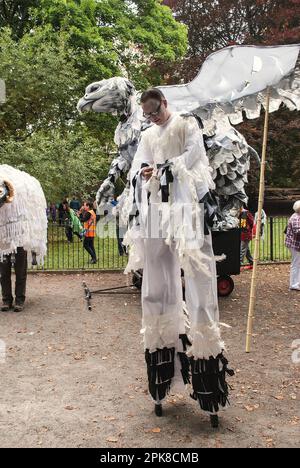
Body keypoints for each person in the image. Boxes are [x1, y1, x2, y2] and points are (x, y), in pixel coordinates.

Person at [126, 88, 233, 425]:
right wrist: (145, 173)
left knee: (200, 282)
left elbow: (193, 159)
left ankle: (207, 383)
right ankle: (161, 375)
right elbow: (137, 168)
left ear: (165, 104)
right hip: (157, 212)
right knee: (158, 287)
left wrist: (164, 169)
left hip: (186, 210)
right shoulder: (146, 135)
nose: (153, 117)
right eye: (147, 113)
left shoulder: (187, 125)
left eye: (156, 110)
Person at [285, 200, 300, 291]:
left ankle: (296, 282)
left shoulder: (298, 216)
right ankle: (294, 284)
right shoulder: (296, 218)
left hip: (295, 244)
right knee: (295, 264)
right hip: (294, 244)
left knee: (297, 264)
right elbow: (297, 231)